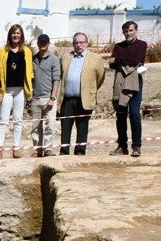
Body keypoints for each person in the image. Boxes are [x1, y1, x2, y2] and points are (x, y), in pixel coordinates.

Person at [58, 33, 107, 155]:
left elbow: (100, 78)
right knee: (65, 127)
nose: (78, 45)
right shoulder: (66, 57)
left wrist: (90, 89)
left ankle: (80, 151)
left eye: (81, 42)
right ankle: (64, 151)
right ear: (73, 44)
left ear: (86, 43)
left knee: (82, 127)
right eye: (76, 42)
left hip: (84, 98)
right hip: (67, 98)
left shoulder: (95, 58)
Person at [110, 21, 148, 157]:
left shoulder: (142, 45)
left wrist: (119, 60)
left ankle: (136, 146)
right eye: (126, 31)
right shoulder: (118, 46)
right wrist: (121, 61)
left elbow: (137, 59)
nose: (128, 33)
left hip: (135, 82)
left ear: (136, 30)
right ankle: (122, 146)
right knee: (120, 114)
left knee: (134, 114)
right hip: (120, 81)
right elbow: (111, 64)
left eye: (131, 30)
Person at [0, 24, 33, 159]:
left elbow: (30, 72)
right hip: (7, 90)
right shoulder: (2, 52)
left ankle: (16, 148)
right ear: (10, 35)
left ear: (21, 35)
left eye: (18, 33)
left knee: (18, 120)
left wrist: (30, 89)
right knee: (3, 119)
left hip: (20, 90)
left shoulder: (27, 51)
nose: (16, 35)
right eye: (13, 33)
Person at [30, 33, 60, 157]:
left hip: (48, 97)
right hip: (36, 98)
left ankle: (47, 149)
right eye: (40, 42)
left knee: (50, 124)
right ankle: (37, 150)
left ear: (48, 44)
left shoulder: (54, 60)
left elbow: (56, 80)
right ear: (37, 44)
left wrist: (52, 98)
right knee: (36, 126)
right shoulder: (33, 59)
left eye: (45, 42)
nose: (42, 44)